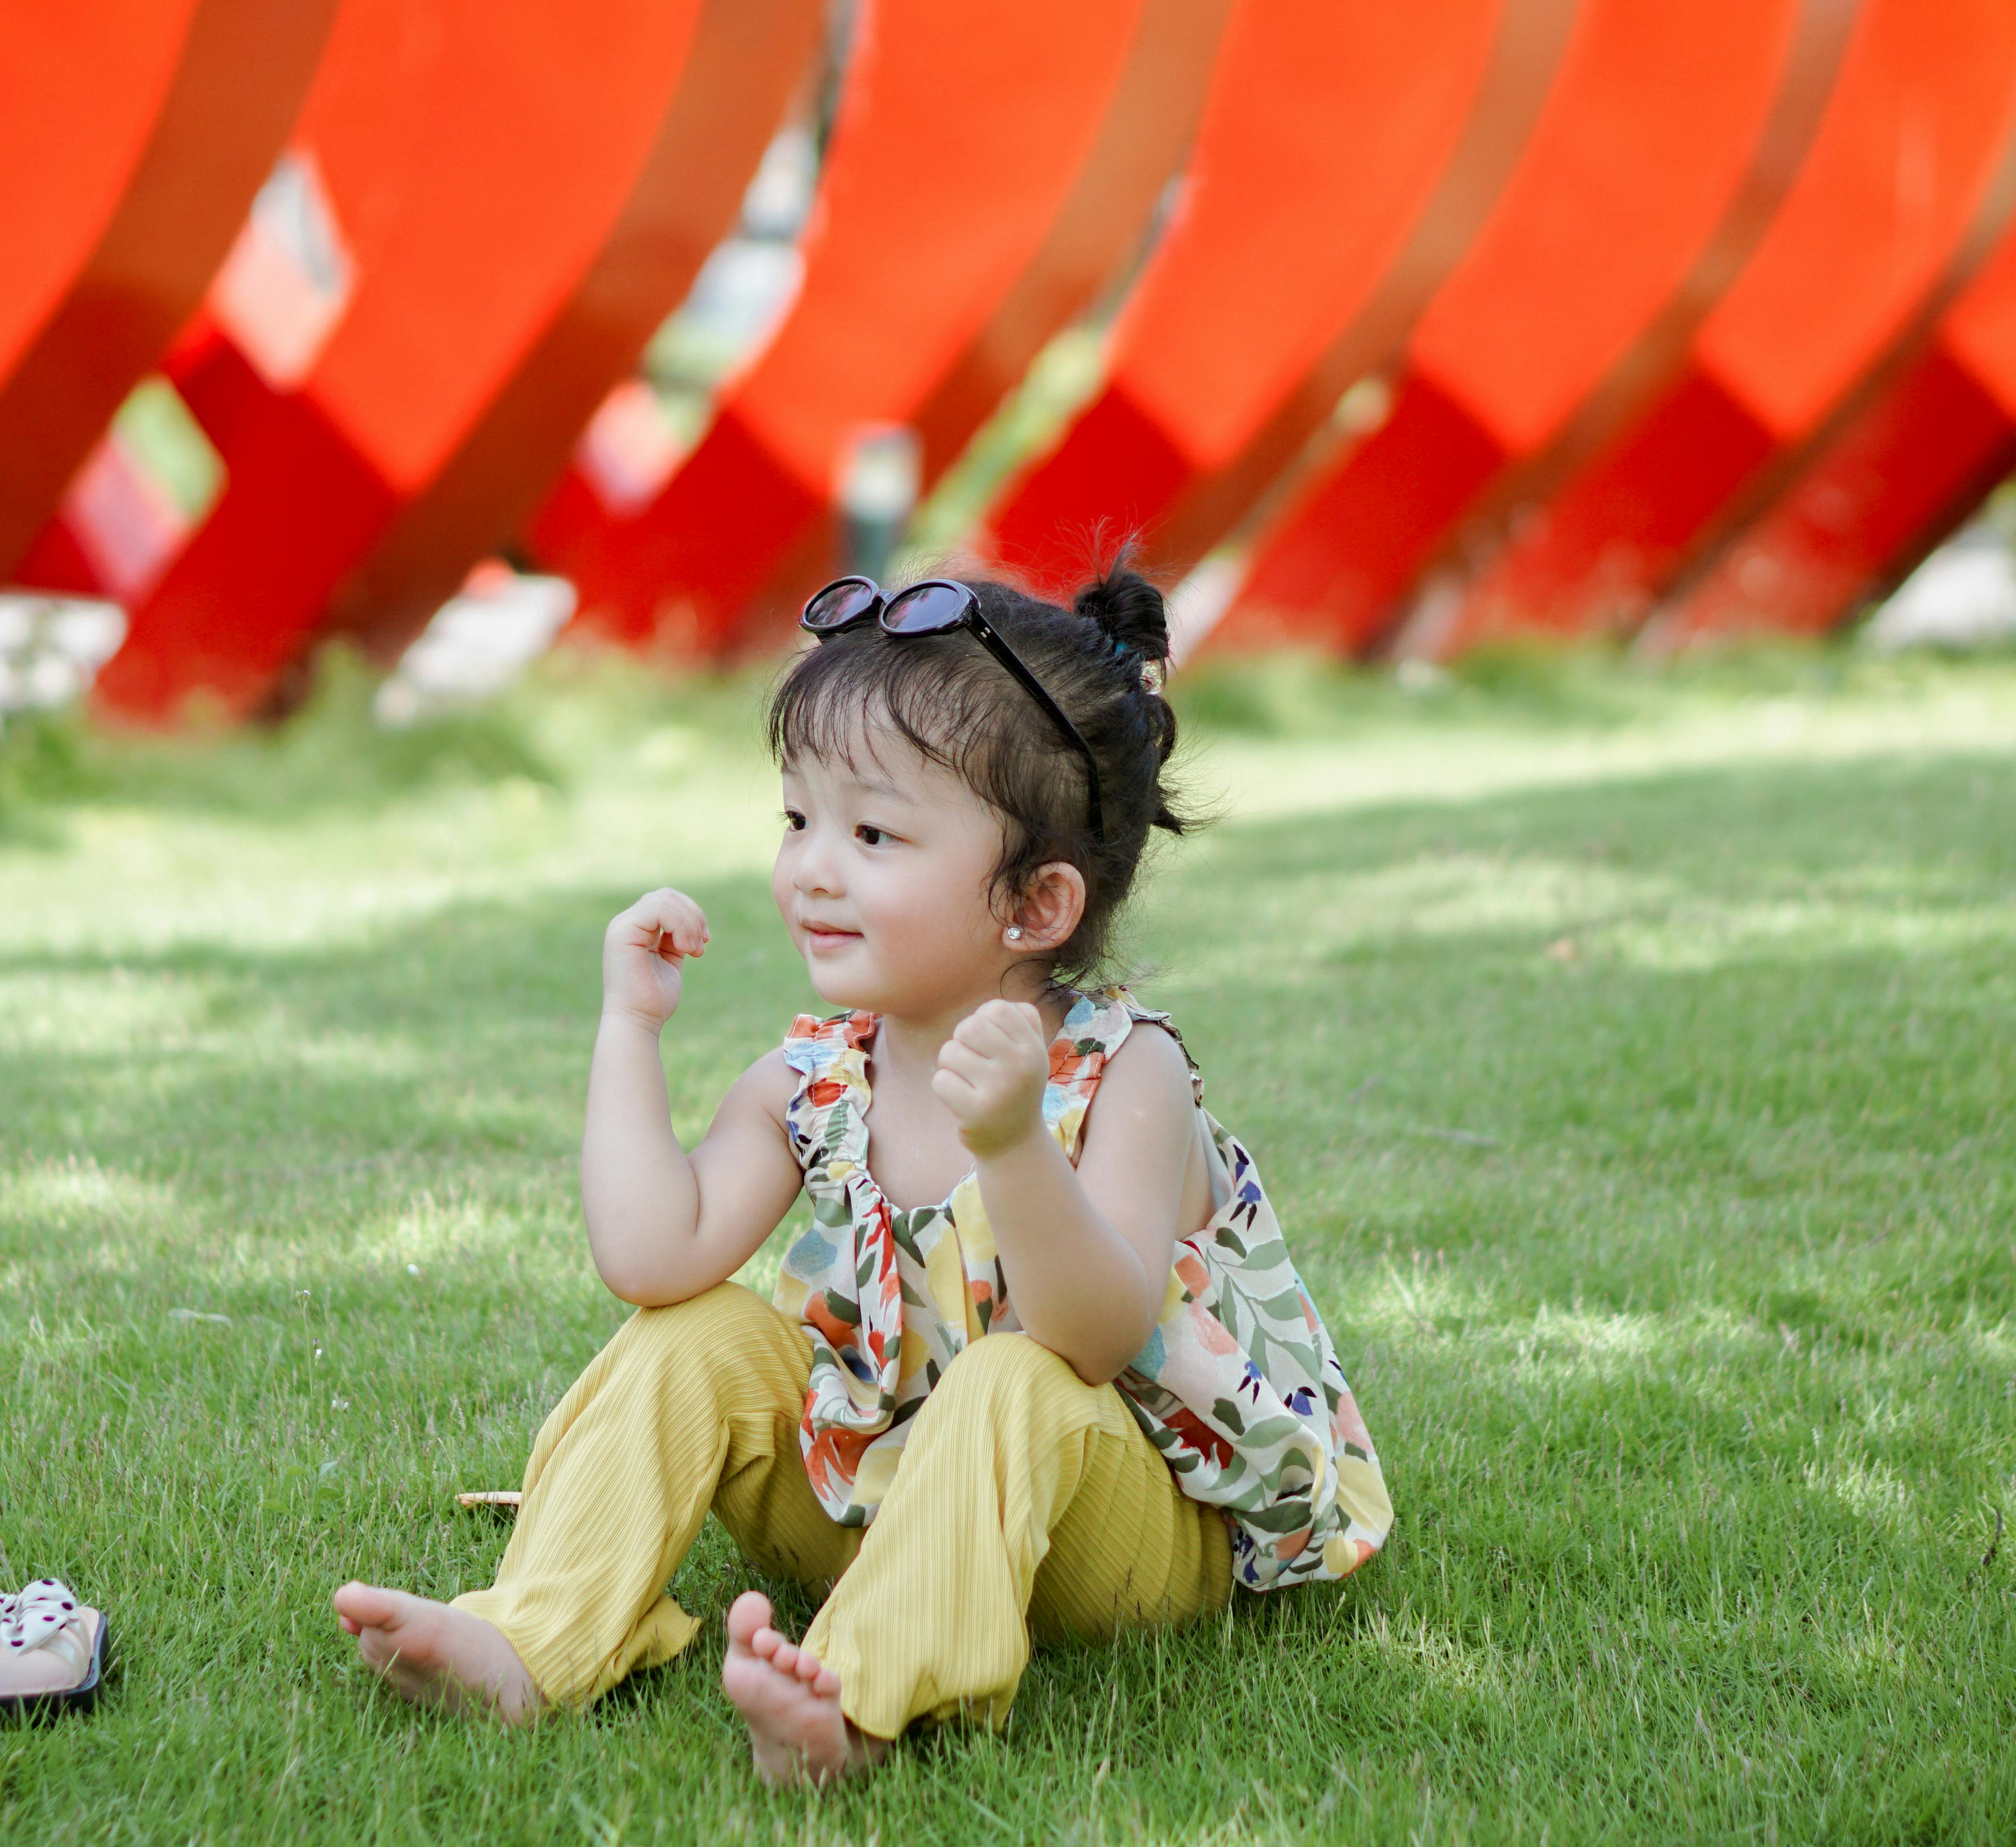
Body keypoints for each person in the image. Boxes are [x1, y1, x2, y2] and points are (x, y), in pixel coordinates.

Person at [331, 559, 1390, 1786]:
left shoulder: (1121, 1070)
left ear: (1037, 903)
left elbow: (1093, 1337)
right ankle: (531, 1634)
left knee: (1012, 1374)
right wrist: (630, 1028)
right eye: (798, 818)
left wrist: (1014, 1145)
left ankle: (855, 1702)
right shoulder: (821, 1074)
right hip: (882, 1492)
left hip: (1123, 1528)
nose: (813, 868)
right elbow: (652, 1252)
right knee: (701, 1328)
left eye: (873, 831)